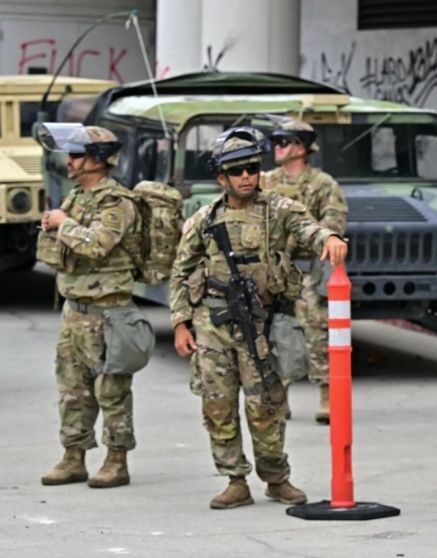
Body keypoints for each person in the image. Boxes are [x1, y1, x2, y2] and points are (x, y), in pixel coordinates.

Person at [169, 127, 347, 510]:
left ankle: (275, 478)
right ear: (222, 178)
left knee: (266, 403)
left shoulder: (277, 210)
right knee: (217, 405)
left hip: (259, 323)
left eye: (251, 168)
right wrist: (181, 323)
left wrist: (328, 238)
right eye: (237, 171)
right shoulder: (205, 219)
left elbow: (308, 228)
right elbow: (181, 272)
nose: (246, 176)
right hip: (213, 324)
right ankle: (235, 479)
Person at [36, 126, 145, 489]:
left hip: (108, 312)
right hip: (75, 309)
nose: (70, 161)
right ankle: (73, 456)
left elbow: (99, 244)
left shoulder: (116, 202)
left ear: (97, 160)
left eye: (77, 155)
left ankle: (116, 460)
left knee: (111, 391)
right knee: (72, 390)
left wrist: (63, 224)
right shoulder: (77, 197)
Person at [261, 116, 348, 423]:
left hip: (308, 268)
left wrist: (311, 237)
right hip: (274, 269)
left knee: (317, 330)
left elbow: (333, 221)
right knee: (273, 331)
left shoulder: (322, 184)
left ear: (301, 147)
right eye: (275, 142)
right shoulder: (266, 181)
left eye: (283, 142)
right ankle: (278, 394)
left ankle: (326, 392)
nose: (277, 148)